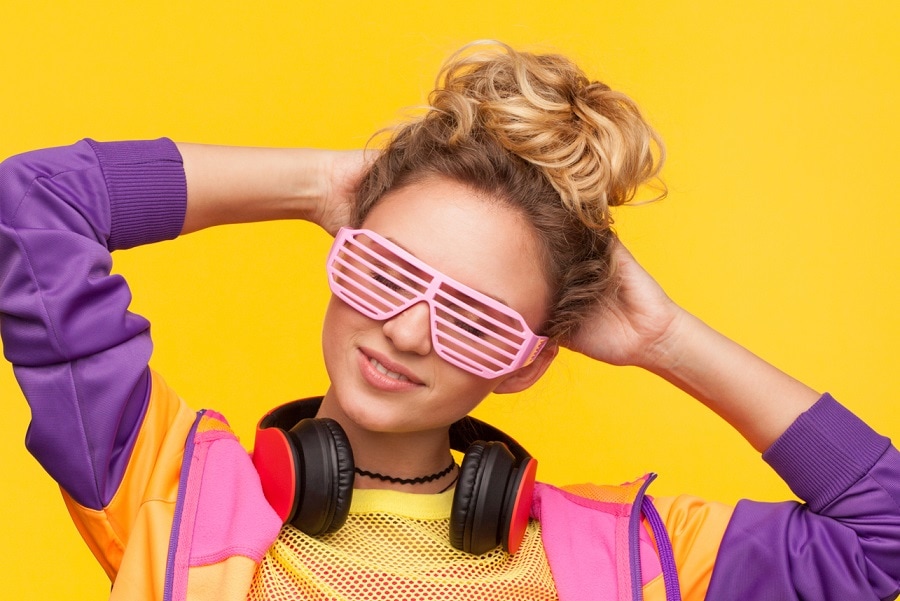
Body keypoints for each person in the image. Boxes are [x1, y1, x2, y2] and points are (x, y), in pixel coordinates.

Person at [0, 42, 897, 601]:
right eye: (384, 270)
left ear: (529, 361)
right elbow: (33, 202)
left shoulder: (635, 556)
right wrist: (319, 182)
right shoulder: (161, 487)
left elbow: (884, 536)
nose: (405, 331)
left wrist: (667, 340)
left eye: (474, 318)